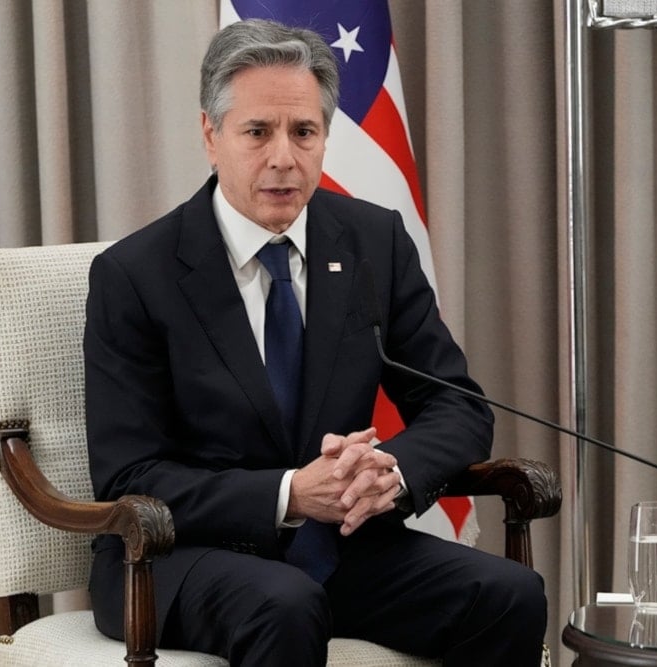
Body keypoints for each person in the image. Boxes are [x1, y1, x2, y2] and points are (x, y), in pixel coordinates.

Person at [84, 18, 547, 667]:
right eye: (257, 132)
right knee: (285, 602)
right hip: (176, 555)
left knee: (509, 593)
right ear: (210, 136)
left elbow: (458, 406)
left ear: (326, 137)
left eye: (303, 132)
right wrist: (291, 492)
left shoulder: (371, 244)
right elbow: (129, 473)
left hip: (340, 546)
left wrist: (393, 471)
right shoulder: (135, 275)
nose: (284, 158)